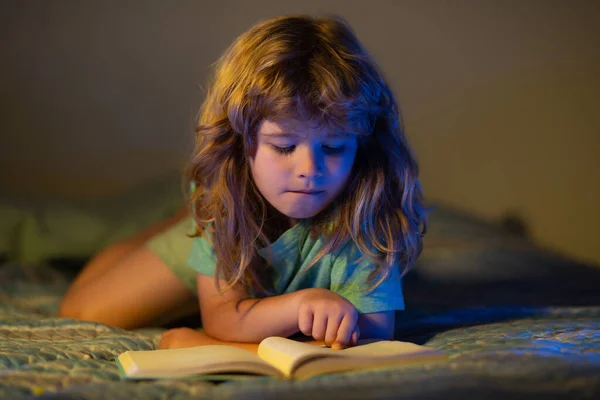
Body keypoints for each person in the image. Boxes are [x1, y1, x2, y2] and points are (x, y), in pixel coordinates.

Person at [59, 14, 426, 351]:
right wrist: (300, 304)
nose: (309, 169)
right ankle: (180, 223)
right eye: (284, 146)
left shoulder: (369, 204)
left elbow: (375, 336)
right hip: (228, 226)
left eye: (333, 147)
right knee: (82, 312)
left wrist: (216, 344)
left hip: (261, 257)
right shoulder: (224, 201)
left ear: (360, 145)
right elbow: (223, 317)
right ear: (240, 141)